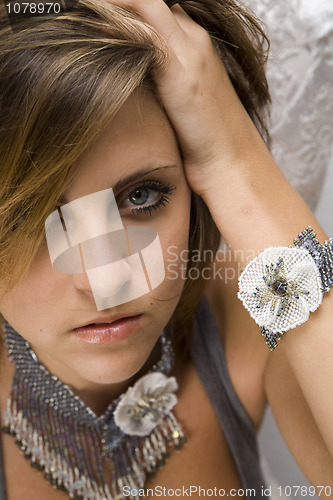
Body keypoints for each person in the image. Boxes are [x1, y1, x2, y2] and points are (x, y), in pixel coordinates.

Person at [0, 1, 332, 499]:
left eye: (141, 196)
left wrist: (232, 160)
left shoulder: (252, 320)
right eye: (31, 213)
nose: (107, 281)